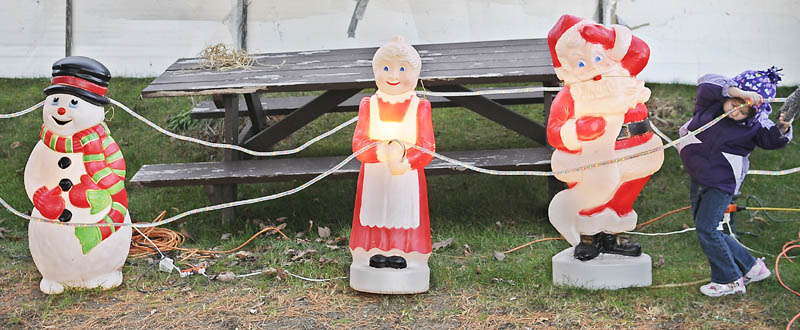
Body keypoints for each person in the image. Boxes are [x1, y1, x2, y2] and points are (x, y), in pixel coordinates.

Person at [546, 14, 664, 261]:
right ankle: (589, 237)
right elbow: (554, 131)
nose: (595, 71)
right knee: (594, 196)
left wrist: (609, 37)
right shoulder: (573, 96)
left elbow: (641, 51)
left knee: (624, 196)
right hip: (593, 157)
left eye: (598, 57)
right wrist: (577, 132)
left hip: (639, 152)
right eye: (581, 64)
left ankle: (616, 234)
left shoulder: (622, 78)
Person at [677, 67, 794, 297]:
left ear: (753, 113)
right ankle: (752, 267)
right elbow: (706, 80)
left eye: (745, 109)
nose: (738, 109)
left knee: (707, 228)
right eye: (736, 100)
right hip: (698, 175)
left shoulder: (755, 126)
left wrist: (783, 126)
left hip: (722, 183)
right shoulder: (709, 104)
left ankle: (729, 279)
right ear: (729, 94)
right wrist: (738, 90)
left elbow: (773, 139)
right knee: (707, 228)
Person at [348, 36, 435, 294]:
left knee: (402, 212)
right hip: (375, 174)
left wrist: (406, 161)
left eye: (401, 69)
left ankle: (403, 252)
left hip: (405, 176)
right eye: (386, 68)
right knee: (376, 211)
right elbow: (359, 142)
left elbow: (427, 146)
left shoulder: (420, 106)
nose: (393, 75)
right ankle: (373, 252)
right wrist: (379, 151)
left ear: (414, 73)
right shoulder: (369, 105)